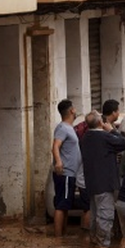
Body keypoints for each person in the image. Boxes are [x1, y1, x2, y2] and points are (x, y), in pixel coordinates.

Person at [80, 108, 125, 248]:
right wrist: (111, 130)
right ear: (101, 122)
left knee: (95, 213)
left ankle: (95, 239)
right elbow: (123, 143)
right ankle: (103, 245)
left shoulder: (86, 137)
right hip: (105, 183)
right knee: (105, 215)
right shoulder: (104, 137)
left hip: (91, 183)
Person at [51, 99, 81, 237]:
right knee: (62, 205)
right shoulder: (63, 128)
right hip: (65, 172)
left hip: (70, 173)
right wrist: (58, 162)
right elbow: (56, 146)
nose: (76, 109)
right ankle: (58, 238)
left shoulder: (69, 128)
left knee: (65, 205)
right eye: (74, 107)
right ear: (71, 111)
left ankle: (63, 235)